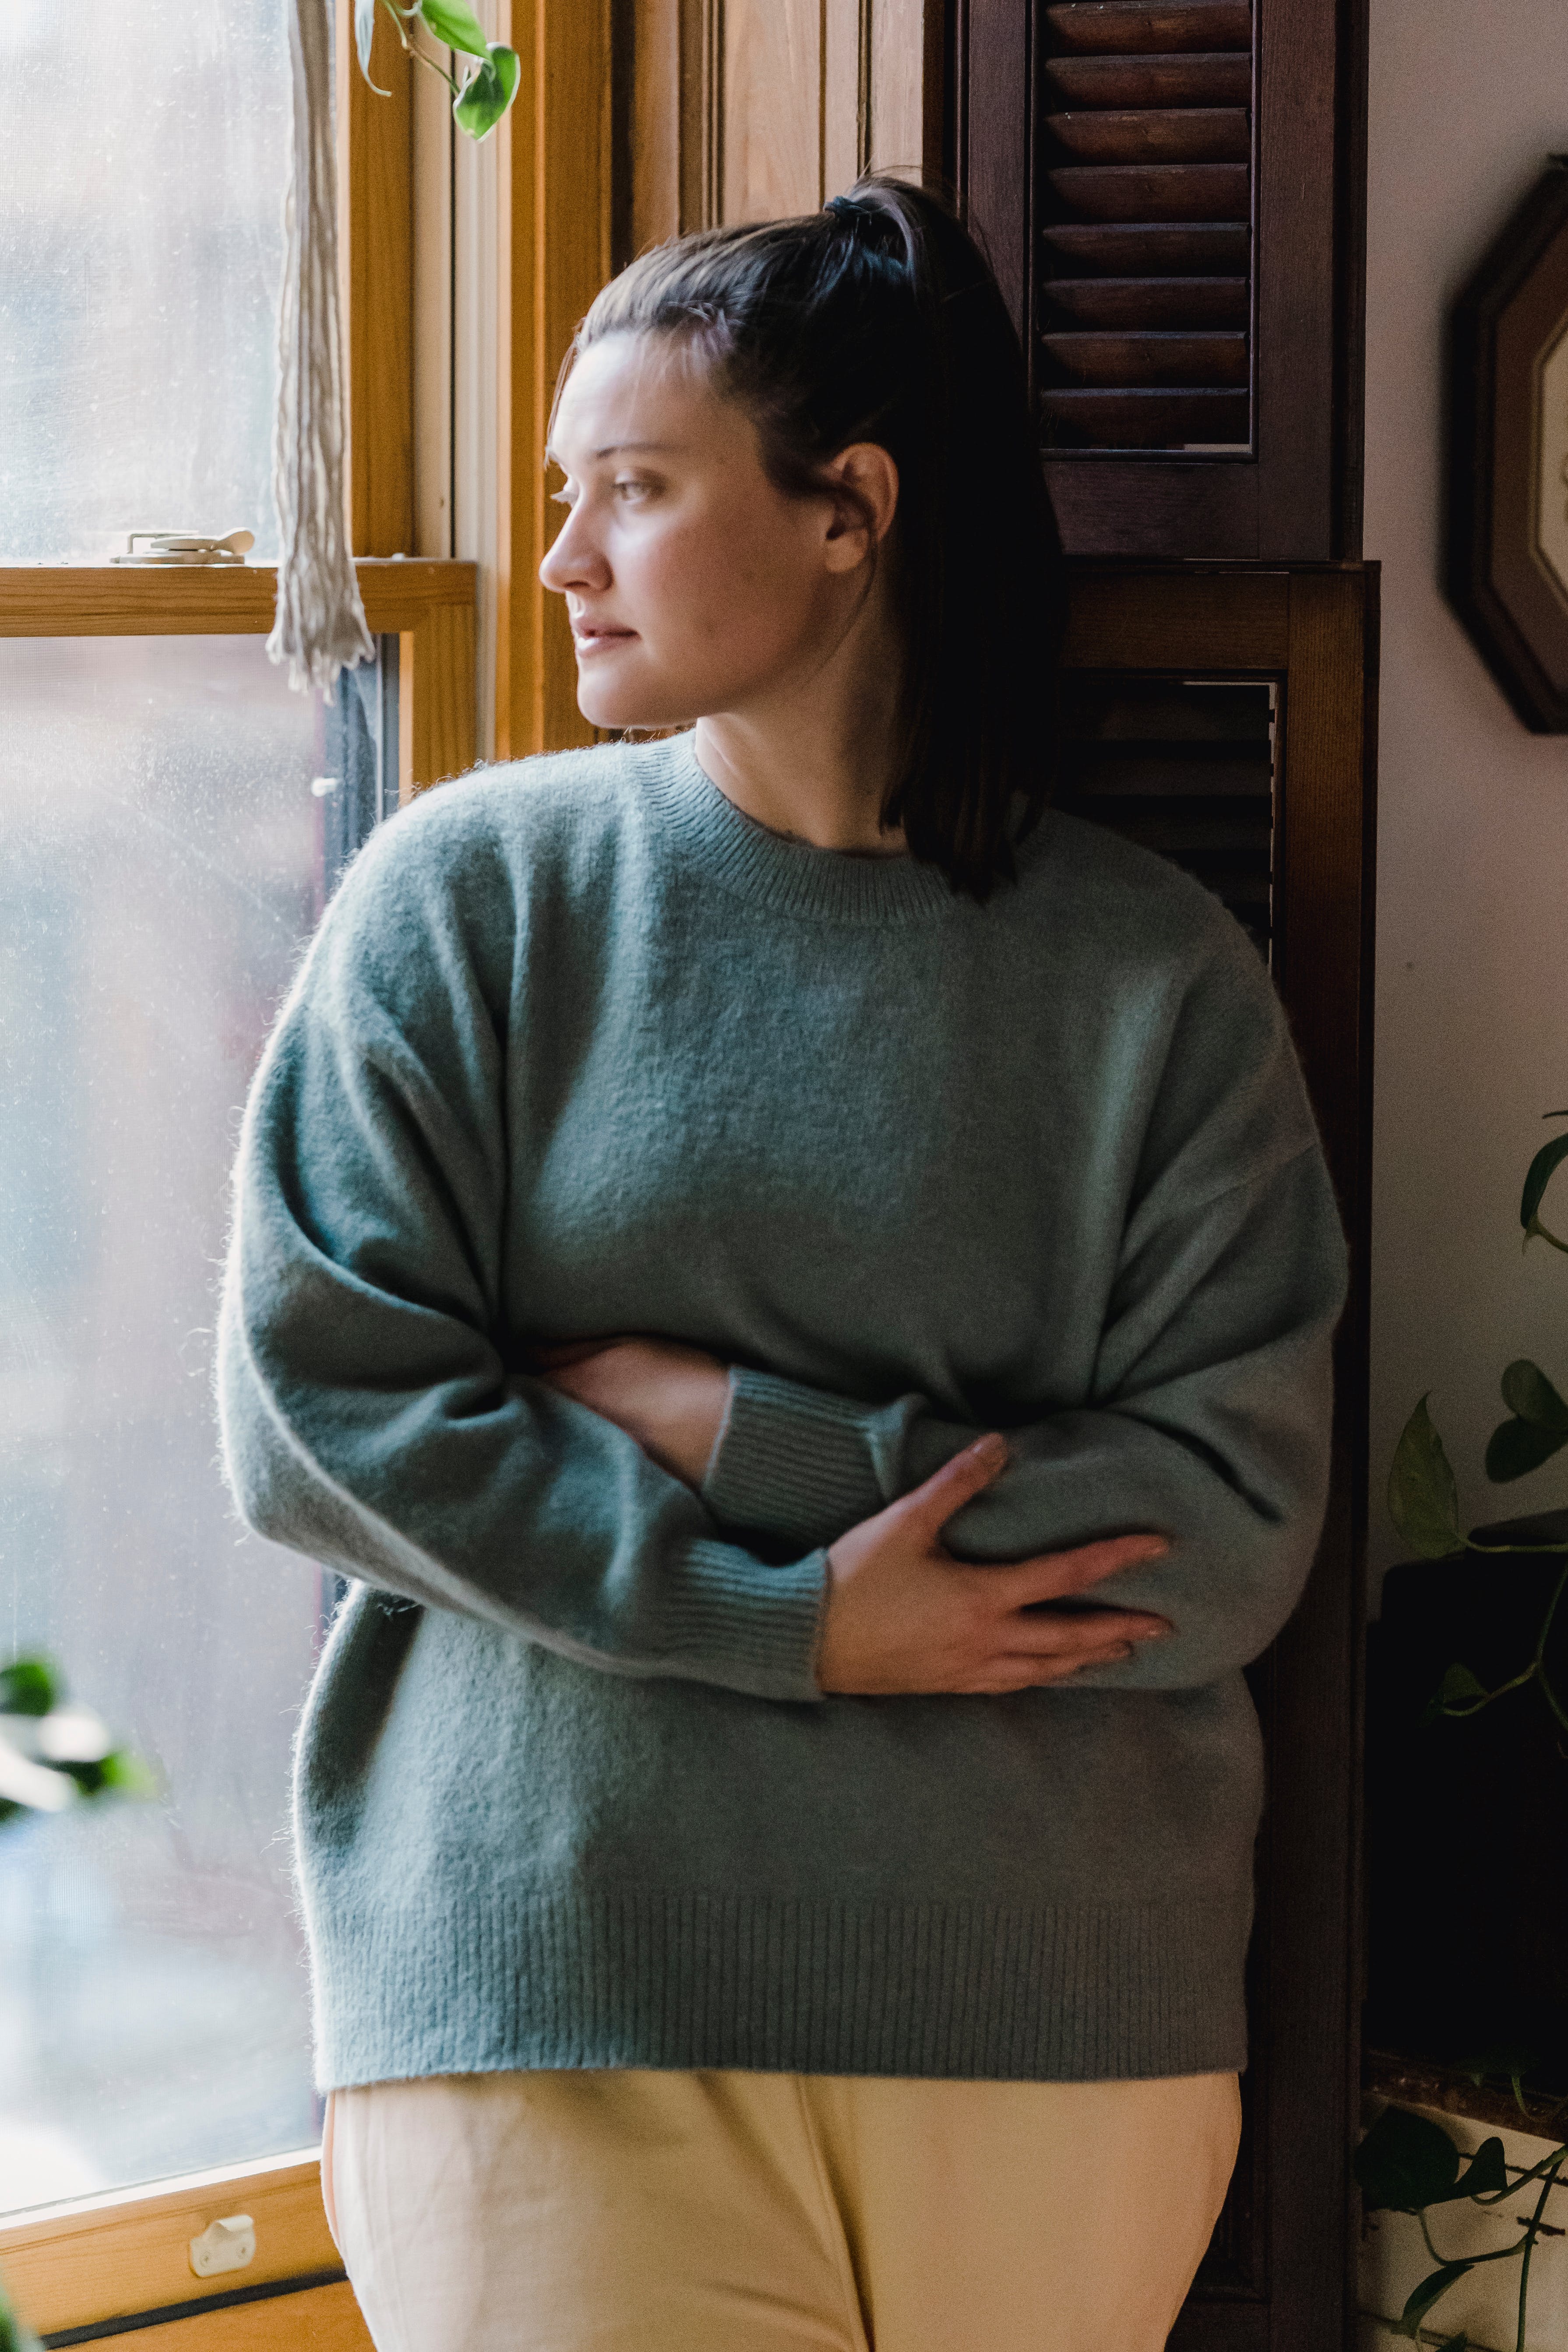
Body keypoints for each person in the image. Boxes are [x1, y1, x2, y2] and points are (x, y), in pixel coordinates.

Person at [217, 176, 1346, 2352]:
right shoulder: (474, 899)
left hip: (1053, 2019)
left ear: (851, 511)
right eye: (565, 497)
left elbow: (1224, 1522)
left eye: (631, 492)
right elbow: (316, 1410)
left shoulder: (1148, 977)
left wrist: (746, 1431)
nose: (561, 561)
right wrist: (787, 1625)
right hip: (561, 1989)